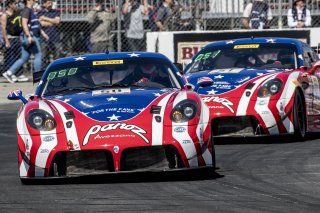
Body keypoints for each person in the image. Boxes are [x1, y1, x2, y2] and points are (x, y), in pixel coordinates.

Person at [2, 0, 49, 83]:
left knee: (24, 58)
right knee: (38, 55)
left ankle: (9, 72)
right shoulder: (27, 10)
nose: (35, 1)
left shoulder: (30, 10)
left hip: (30, 35)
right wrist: (28, 36)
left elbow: (36, 24)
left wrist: (43, 33)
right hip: (30, 36)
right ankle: (38, 77)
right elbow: (24, 23)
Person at [1, 0, 28, 82]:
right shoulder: (4, 15)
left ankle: (18, 74)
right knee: (11, 57)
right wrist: (6, 40)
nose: (16, 5)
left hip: (18, 38)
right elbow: (3, 29)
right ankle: (10, 74)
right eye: (15, 4)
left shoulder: (17, 13)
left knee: (19, 56)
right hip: (10, 38)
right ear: (10, 5)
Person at [37, 0, 61, 69]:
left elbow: (57, 21)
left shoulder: (56, 11)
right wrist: (52, 22)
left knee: (57, 56)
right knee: (44, 57)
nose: (50, 4)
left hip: (55, 37)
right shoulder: (40, 12)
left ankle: (57, 70)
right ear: (44, 4)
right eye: (48, 3)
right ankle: (44, 71)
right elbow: (41, 24)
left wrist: (45, 18)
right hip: (44, 38)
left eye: (51, 3)